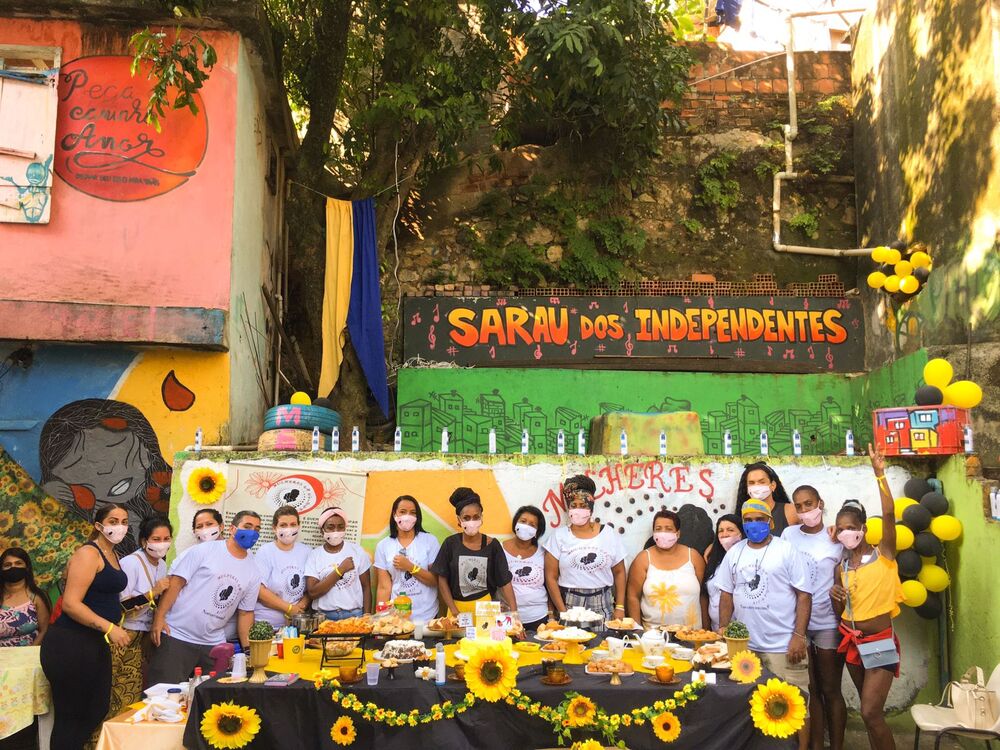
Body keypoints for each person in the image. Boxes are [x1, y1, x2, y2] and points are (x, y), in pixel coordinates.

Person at [717, 498, 813, 750]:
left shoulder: (785, 549)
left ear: (770, 522)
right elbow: (726, 594)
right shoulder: (735, 553)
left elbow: (804, 594)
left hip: (783, 645)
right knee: (755, 709)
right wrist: (723, 629)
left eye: (759, 520)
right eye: (748, 521)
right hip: (746, 649)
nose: (753, 525)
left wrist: (799, 636)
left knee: (796, 705)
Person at [829, 444, 904, 750]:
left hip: (880, 642)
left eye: (852, 527)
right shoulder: (842, 566)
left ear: (862, 528)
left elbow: (888, 513)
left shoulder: (884, 554)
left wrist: (880, 474)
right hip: (853, 641)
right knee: (867, 708)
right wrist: (836, 595)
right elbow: (840, 610)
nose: (847, 533)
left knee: (871, 712)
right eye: (842, 528)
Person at [39, 504, 130, 750]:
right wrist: (110, 628)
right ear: (98, 525)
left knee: (96, 708)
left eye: (124, 520)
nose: (120, 526)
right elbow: (70, 604)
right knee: (71, 716)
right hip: (70, 642)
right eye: (113, 520)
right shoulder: (88, 554)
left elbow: (104, 599)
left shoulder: (113, 554)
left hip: (93, 642)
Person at [147, 511, 263, 685]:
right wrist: (159, 617)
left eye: (257, 529)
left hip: (213, 644)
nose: (252, 532)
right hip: (177, 635)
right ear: (232, 529)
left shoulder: (253, 569)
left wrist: (248, 651)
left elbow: (246, 613)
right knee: (163, 696)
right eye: (247, 527)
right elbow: (176, 583)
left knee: (210, 702)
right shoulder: (203, 551)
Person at [786, 486, 846, 750]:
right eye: (798, 506)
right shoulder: (789, 535)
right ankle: (816, 746)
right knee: (810, 691)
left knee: (830, 689)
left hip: (827, 623)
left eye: (808, 504)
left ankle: (837, 746)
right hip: (799, 625)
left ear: (820, 503)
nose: (804, 511)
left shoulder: (836, 538)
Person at [543, 475, 626, 622]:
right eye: (573, 506)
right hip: (569, 601)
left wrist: (620, 607)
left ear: (591, 508)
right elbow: (551, 577)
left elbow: (619, 572)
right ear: (568, 509)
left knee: (602, 644)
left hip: (603, 601)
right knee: (570, 643)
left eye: (583, 506)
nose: (578, 510)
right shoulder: (559, 536)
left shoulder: (609, 534)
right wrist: (563, 612)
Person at [112, 515, 172, 714]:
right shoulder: (131, 563)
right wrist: (153, 592)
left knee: (131, 689)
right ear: (144, 541)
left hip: (141, 636)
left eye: (166, 538)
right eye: (156, 539)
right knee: (111, 688)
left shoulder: (162, 565)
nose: (162, 544)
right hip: (121, 634)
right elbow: (122, 605)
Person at [431, 488, 516, 616]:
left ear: (482, 518)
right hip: (457, 610)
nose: (471, 521)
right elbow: (442, 579)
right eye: (466, 517)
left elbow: (505, 580)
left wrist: (515, 614)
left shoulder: (492, 545)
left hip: (485, 609)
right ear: (459, 521)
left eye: (476, 517)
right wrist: (453, 610)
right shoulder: (450, 544)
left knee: (484, 636)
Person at [626, 510, 705, 628]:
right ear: (653, 533)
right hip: (653, 636)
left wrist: (707, 629)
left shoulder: (693, 556)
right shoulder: (643, 559)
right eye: (658, 529)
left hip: (692, 634)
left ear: (678, 533)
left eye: (668, 529)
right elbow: (632, 596)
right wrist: (637, 630)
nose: (663, 533)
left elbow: (704, 595)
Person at [374, 495, 441, 624]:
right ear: (395, 514)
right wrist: (381, 619)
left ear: (417, 517)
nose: (407, 516)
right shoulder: (383, 546)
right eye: (403, 512)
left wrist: (410, 567)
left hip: (427, 616)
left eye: (412, 513)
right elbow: (384, 587)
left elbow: (435, 580)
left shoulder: (429, 541)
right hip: (397, 618)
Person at [305, 507, 372, 621]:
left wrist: (366, 617)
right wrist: (340, 570)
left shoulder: (357, 552)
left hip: (354, 616)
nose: (336, 531)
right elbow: (312, 592)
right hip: (324, 618)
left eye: (340, 527)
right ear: (322, 530)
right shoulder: (314, 555)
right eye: (330, 527)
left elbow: (366, 587)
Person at [253, 506, 311, 629]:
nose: (288, 529)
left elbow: (312, 587)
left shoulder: (307, 551)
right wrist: (290, 609)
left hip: (295, 625)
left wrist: (301, 607)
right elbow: (260, 590)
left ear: (299, 526)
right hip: (267, 625)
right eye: (283, 525)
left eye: (293, 524)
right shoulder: (265, 552)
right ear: (274, 528)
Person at [501, 505, 551, 631]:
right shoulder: (499, 549)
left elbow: (551, 583)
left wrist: (551, 615)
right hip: (506, 617)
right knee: (506, 649)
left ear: (537, 532)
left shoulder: (543, 552)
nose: (526, 526)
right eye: (523, 521)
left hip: (538, 617)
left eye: (532, 525)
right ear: (515, 524)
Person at [0, 547, 50, 646]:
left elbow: (44, 631)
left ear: (27, 567)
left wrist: (28, 655)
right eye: (7, 565)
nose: (13, 567)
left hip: (29, 656)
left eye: (18, 563)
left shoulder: (37, 597)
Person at [701, 514, 743, 631]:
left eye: (730, 530)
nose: (724, 534)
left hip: (739, 631)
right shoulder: (713, 560)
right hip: (716, 630)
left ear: (741, 532)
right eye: (720, 531)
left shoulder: (746, 559)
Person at [735, 462, 797, 537]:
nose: (756, 486)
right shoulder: (740, 516)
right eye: (751, 483)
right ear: (747, 488)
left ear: (773, 485)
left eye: (762, 482)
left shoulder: (790, 511)